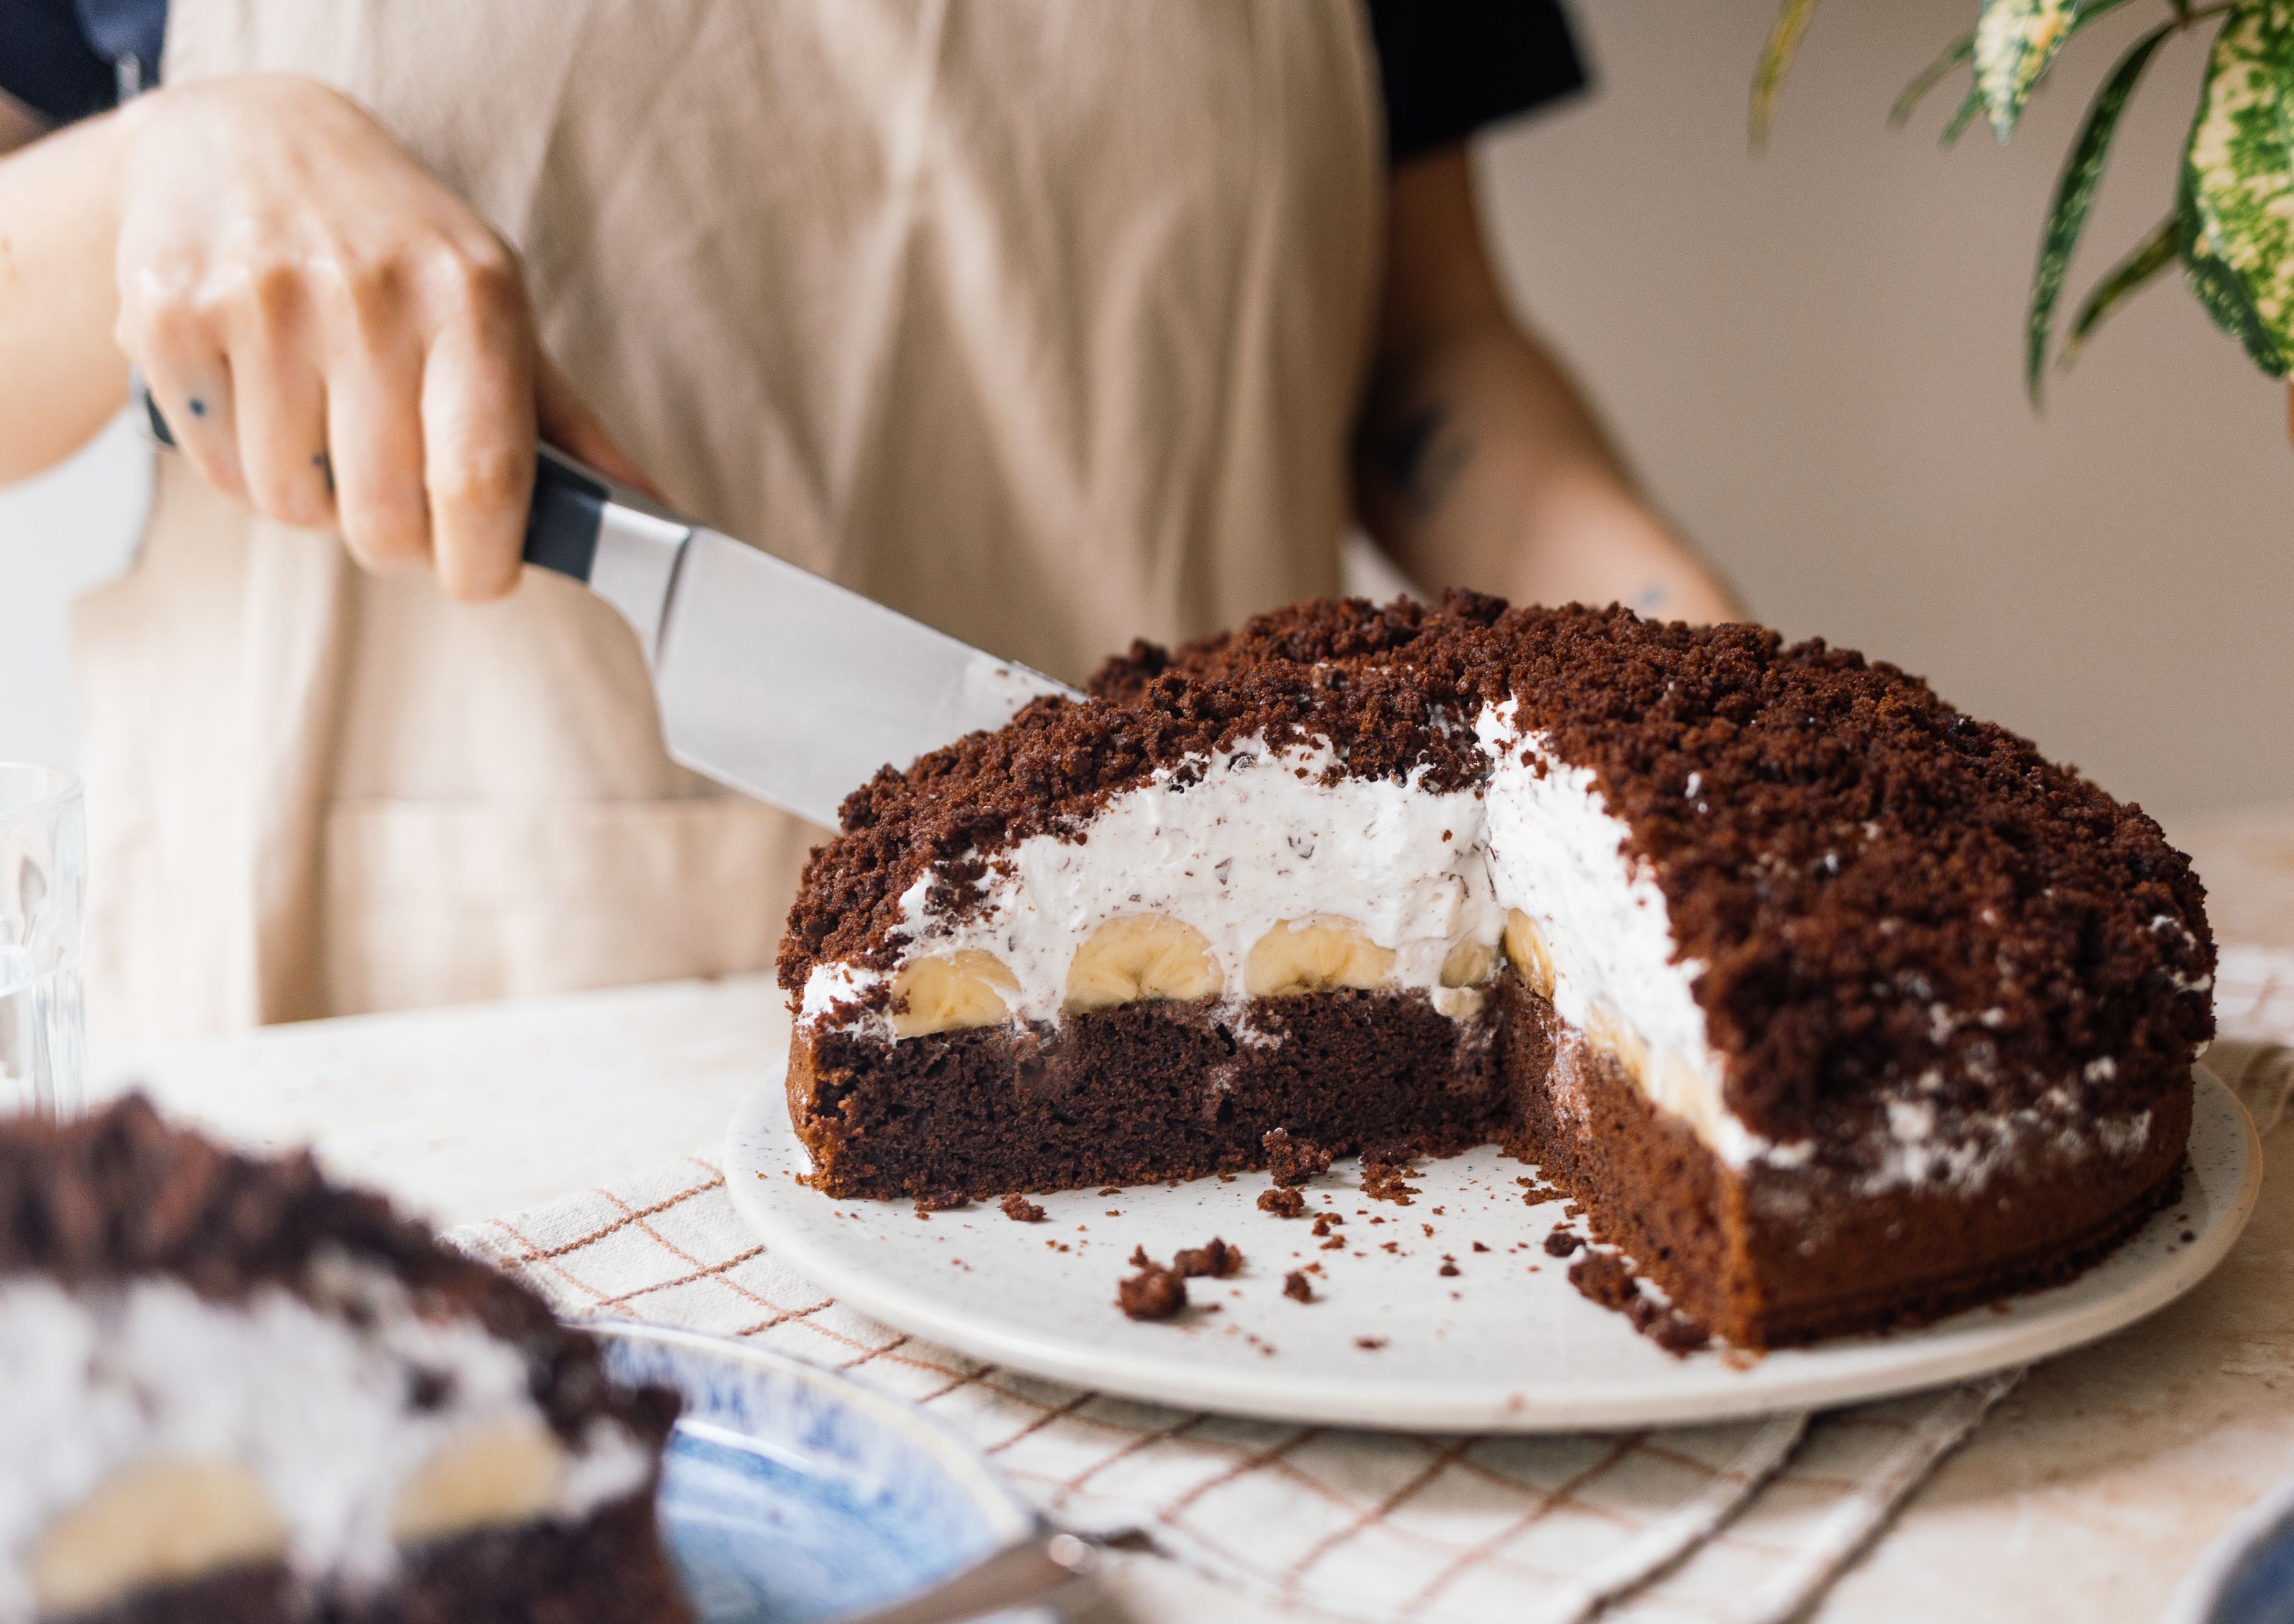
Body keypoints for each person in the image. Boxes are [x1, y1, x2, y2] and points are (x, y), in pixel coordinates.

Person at [0, 1, 1740, 1039]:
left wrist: (1708, 716)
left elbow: (1433, 356)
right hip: (427, 1040)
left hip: (1218, 1033)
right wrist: (144, 190)